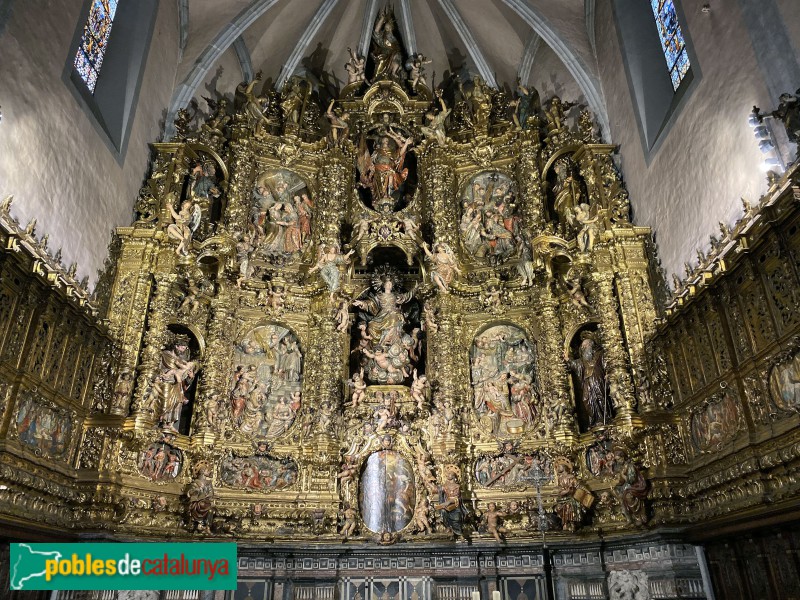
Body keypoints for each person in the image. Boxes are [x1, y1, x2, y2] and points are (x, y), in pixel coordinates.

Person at [565, 334, 613, 428]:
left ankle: (604, 418)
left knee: (600, 397)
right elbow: (574, 365)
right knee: (586, 399)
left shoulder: (600, 354)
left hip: (598, 379)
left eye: (585, 345)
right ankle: (594, 420)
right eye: (582, 346)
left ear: (591, 345)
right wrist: (567, 359)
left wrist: (608, 373)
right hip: (587, 380)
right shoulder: (583, 360)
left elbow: (607, 363)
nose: (583, 348)